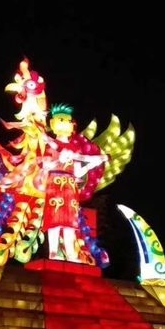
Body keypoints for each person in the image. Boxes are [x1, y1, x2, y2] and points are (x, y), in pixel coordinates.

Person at [39, 103, 107, 262]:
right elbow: (44, 165)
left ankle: (70, 254)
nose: (67, 123)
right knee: (55, 220)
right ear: (52, 124)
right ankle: (53, 252)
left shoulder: (74, 149)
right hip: (55, 185)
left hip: (70, 188)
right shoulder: (51, 145)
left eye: (69, 120)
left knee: (70, 223)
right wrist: (59, 160)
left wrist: (92, 164)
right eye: (62, 120)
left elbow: (77, 172)